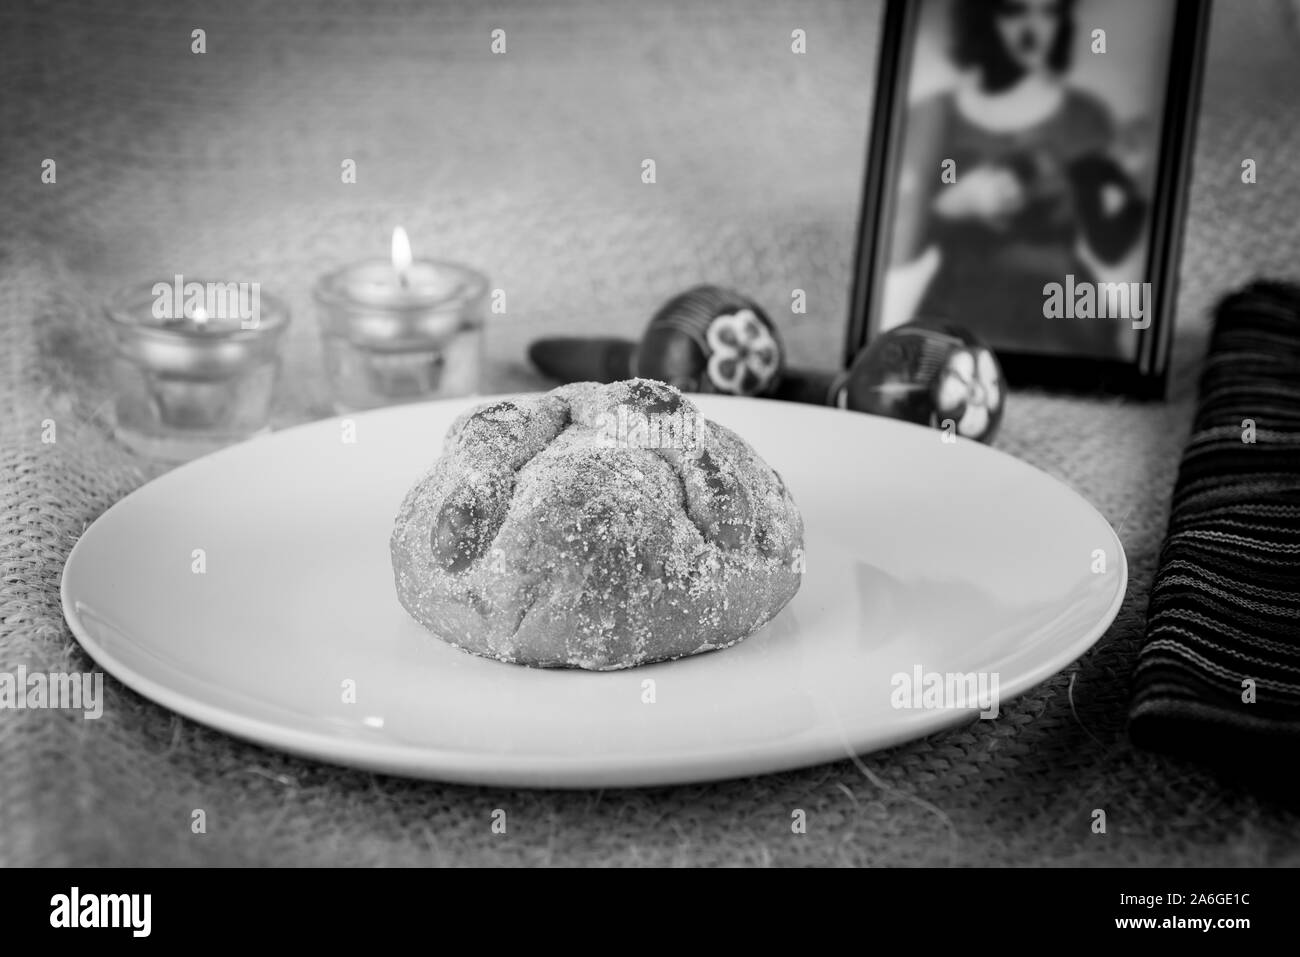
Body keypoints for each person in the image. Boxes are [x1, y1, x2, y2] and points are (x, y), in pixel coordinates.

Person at [889, 0, 1148, 358]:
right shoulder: (935, 114)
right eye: (1013, 11)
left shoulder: (1085, 116)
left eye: (1049, 12)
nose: (1033, 32)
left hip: (1063, 327)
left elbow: (1108, 246)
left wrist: (1138, 189)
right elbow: (896, 252)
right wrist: (950, 207)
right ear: (982, 16)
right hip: (960, 319)